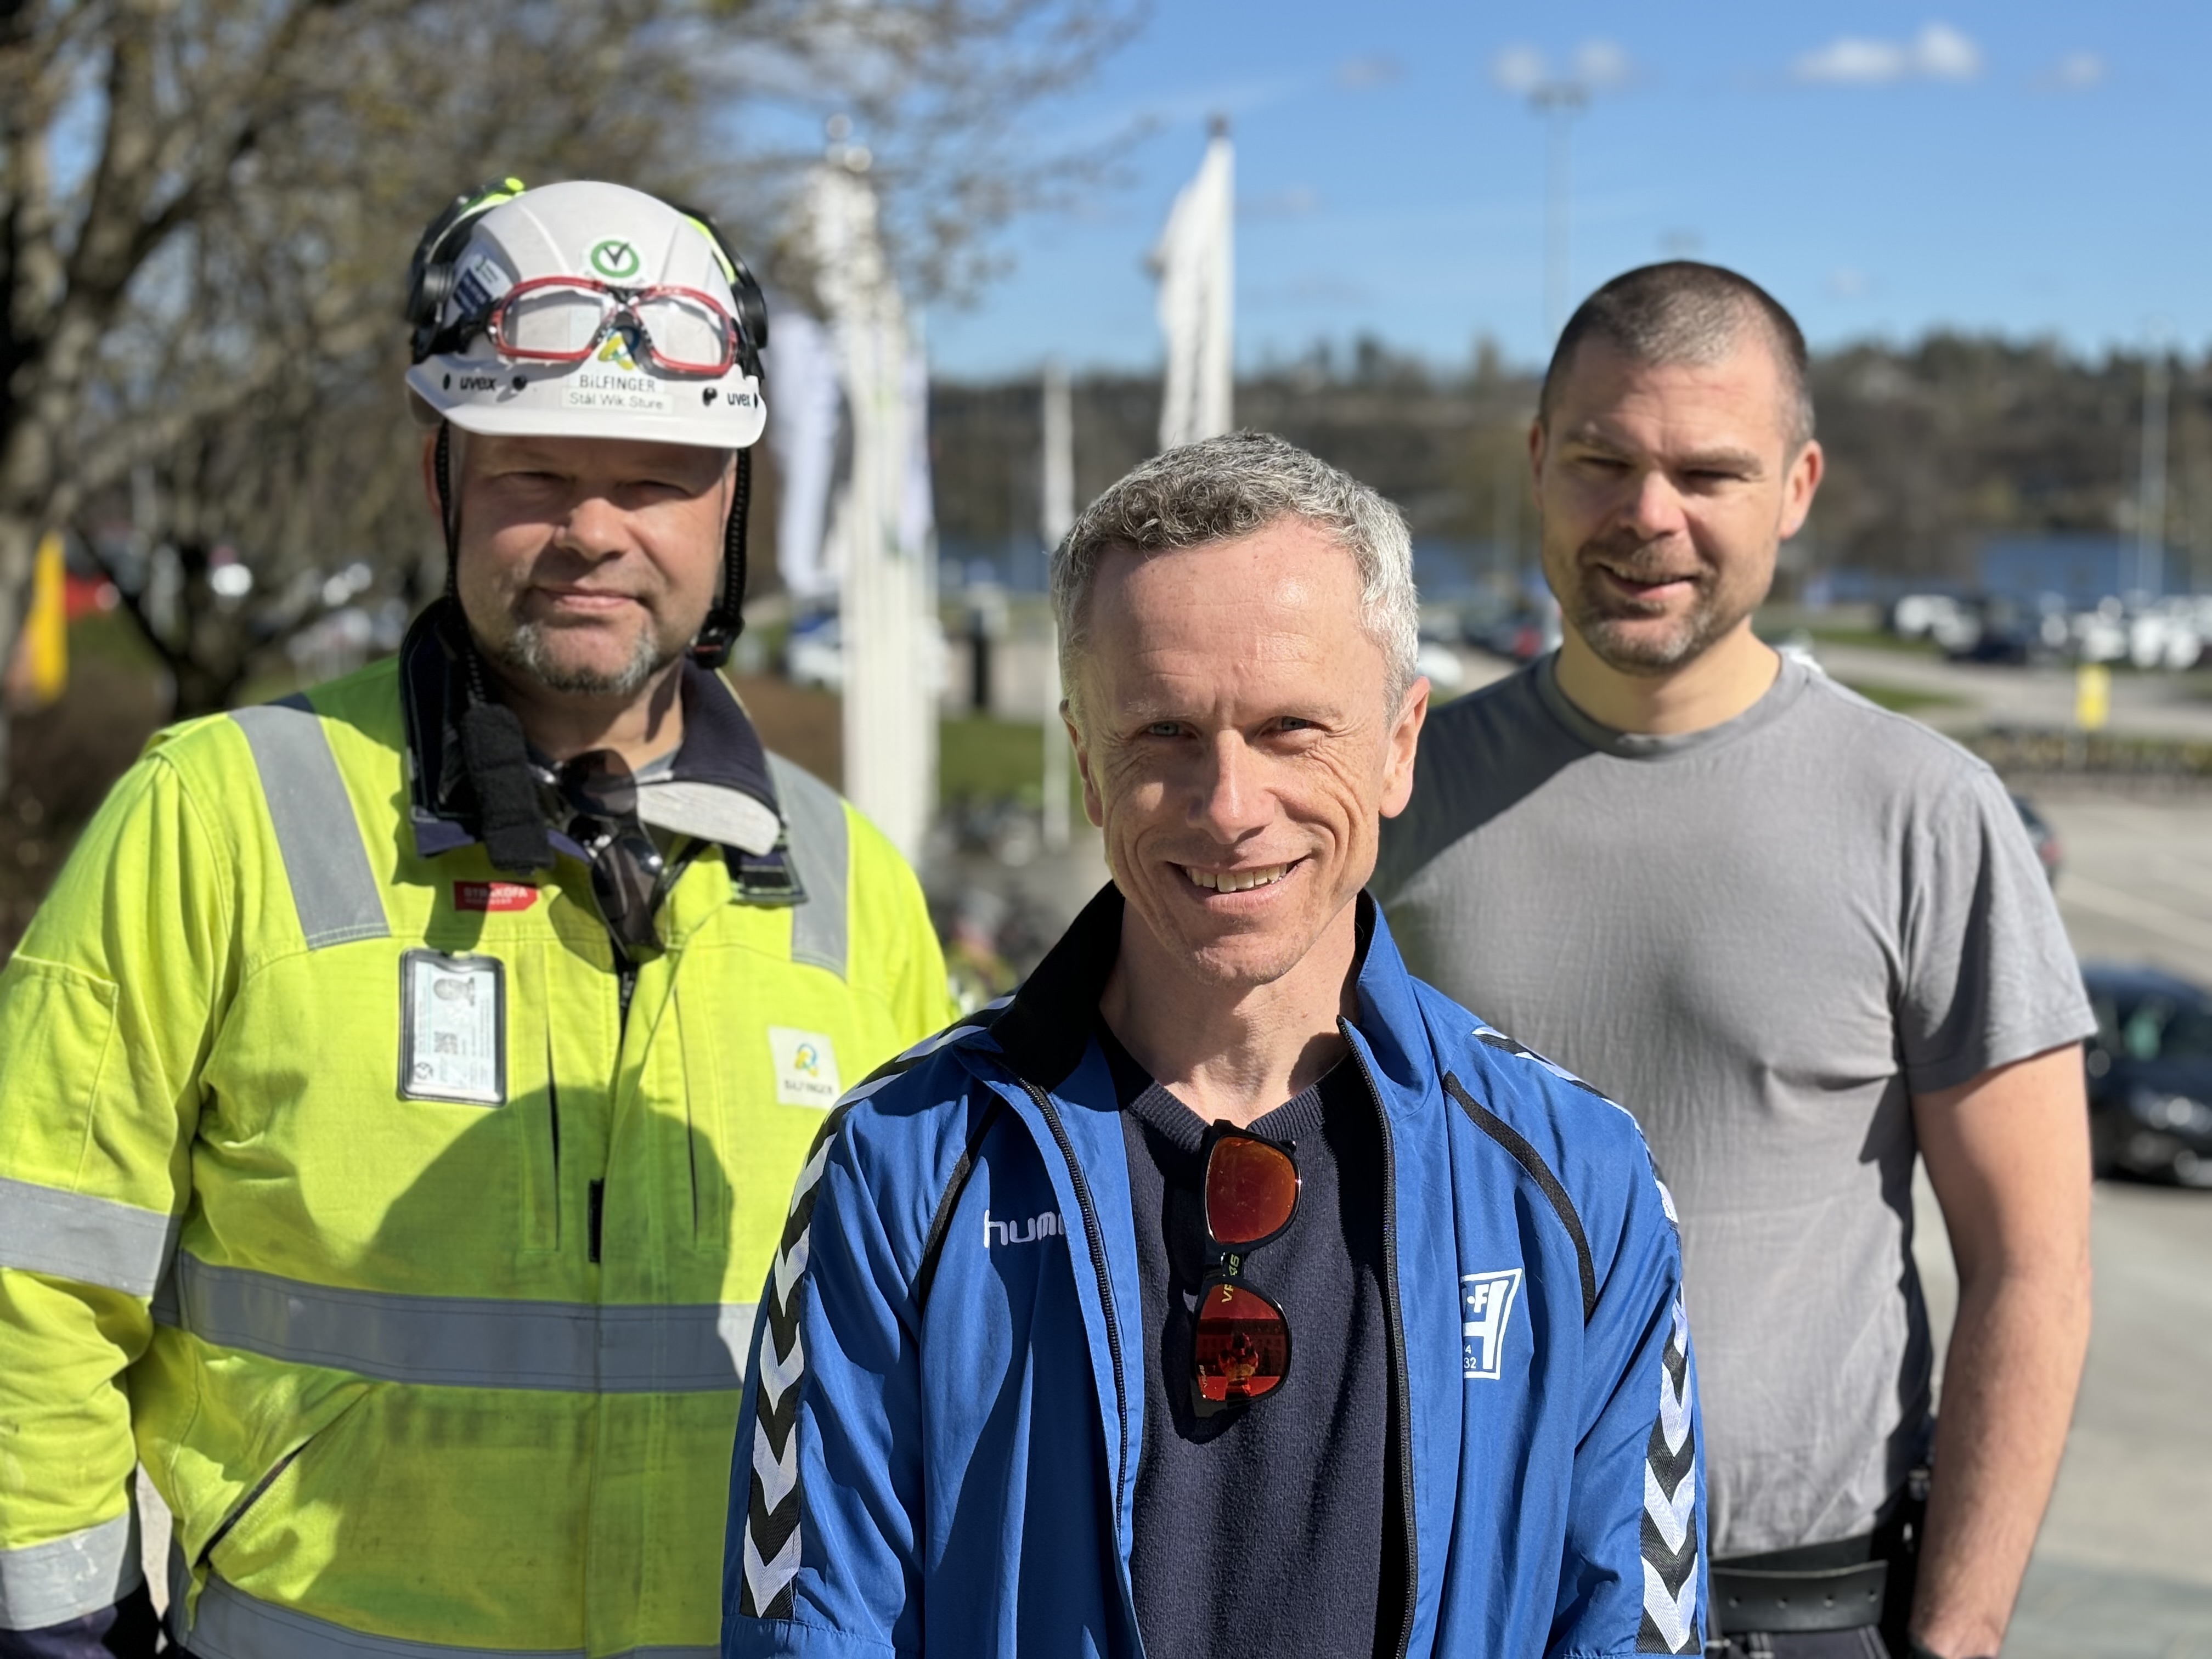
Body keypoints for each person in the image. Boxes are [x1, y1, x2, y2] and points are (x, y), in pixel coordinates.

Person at [0, 179, 953, 1659]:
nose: (592, 531)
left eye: (655, 478)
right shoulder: (218, 816)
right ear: (442, 480)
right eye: (532, 474)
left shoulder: (853, 888)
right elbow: (29, 1284)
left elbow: (931, 1363)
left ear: (732, 506)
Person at [721, 432, 1707, 1659]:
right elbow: (814, 1633)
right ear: (1086, 760)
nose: (1231, 806)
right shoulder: (900, 1165)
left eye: (1293, 728)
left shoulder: (1576, 1179)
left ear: (1400, 743)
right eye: (1166, 735)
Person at [1373, 263, 2094, 1659]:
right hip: (1462, 1592)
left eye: (1710, 472)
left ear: (1799, 485)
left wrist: (1955, 1637)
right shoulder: (1400, 801)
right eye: (1604, 462)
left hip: (1801, 1608)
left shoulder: (1924, 813)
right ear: (1538, 463)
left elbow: (2035, 1268)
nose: (1651, 516)